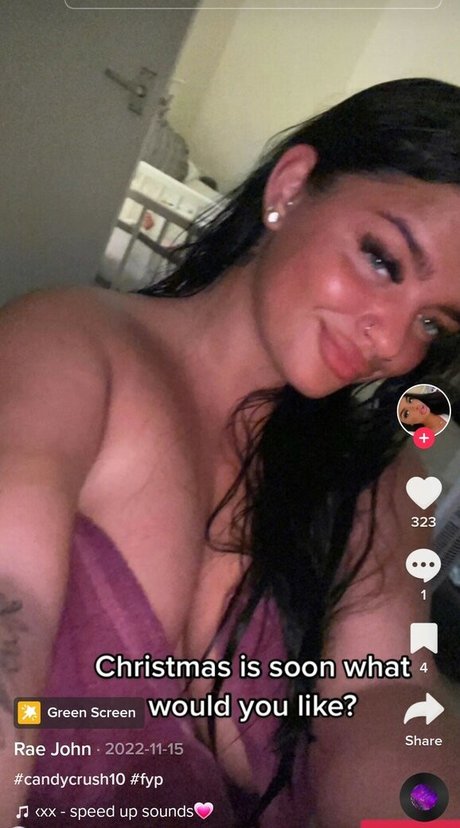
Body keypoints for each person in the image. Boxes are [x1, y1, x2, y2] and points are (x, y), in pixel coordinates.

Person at [2, 77, 460, 828]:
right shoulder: (72, 347)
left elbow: (386, 696)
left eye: (433, 324)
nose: (391, 341)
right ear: (291, 188)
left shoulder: (373, 481)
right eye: (383, 261)